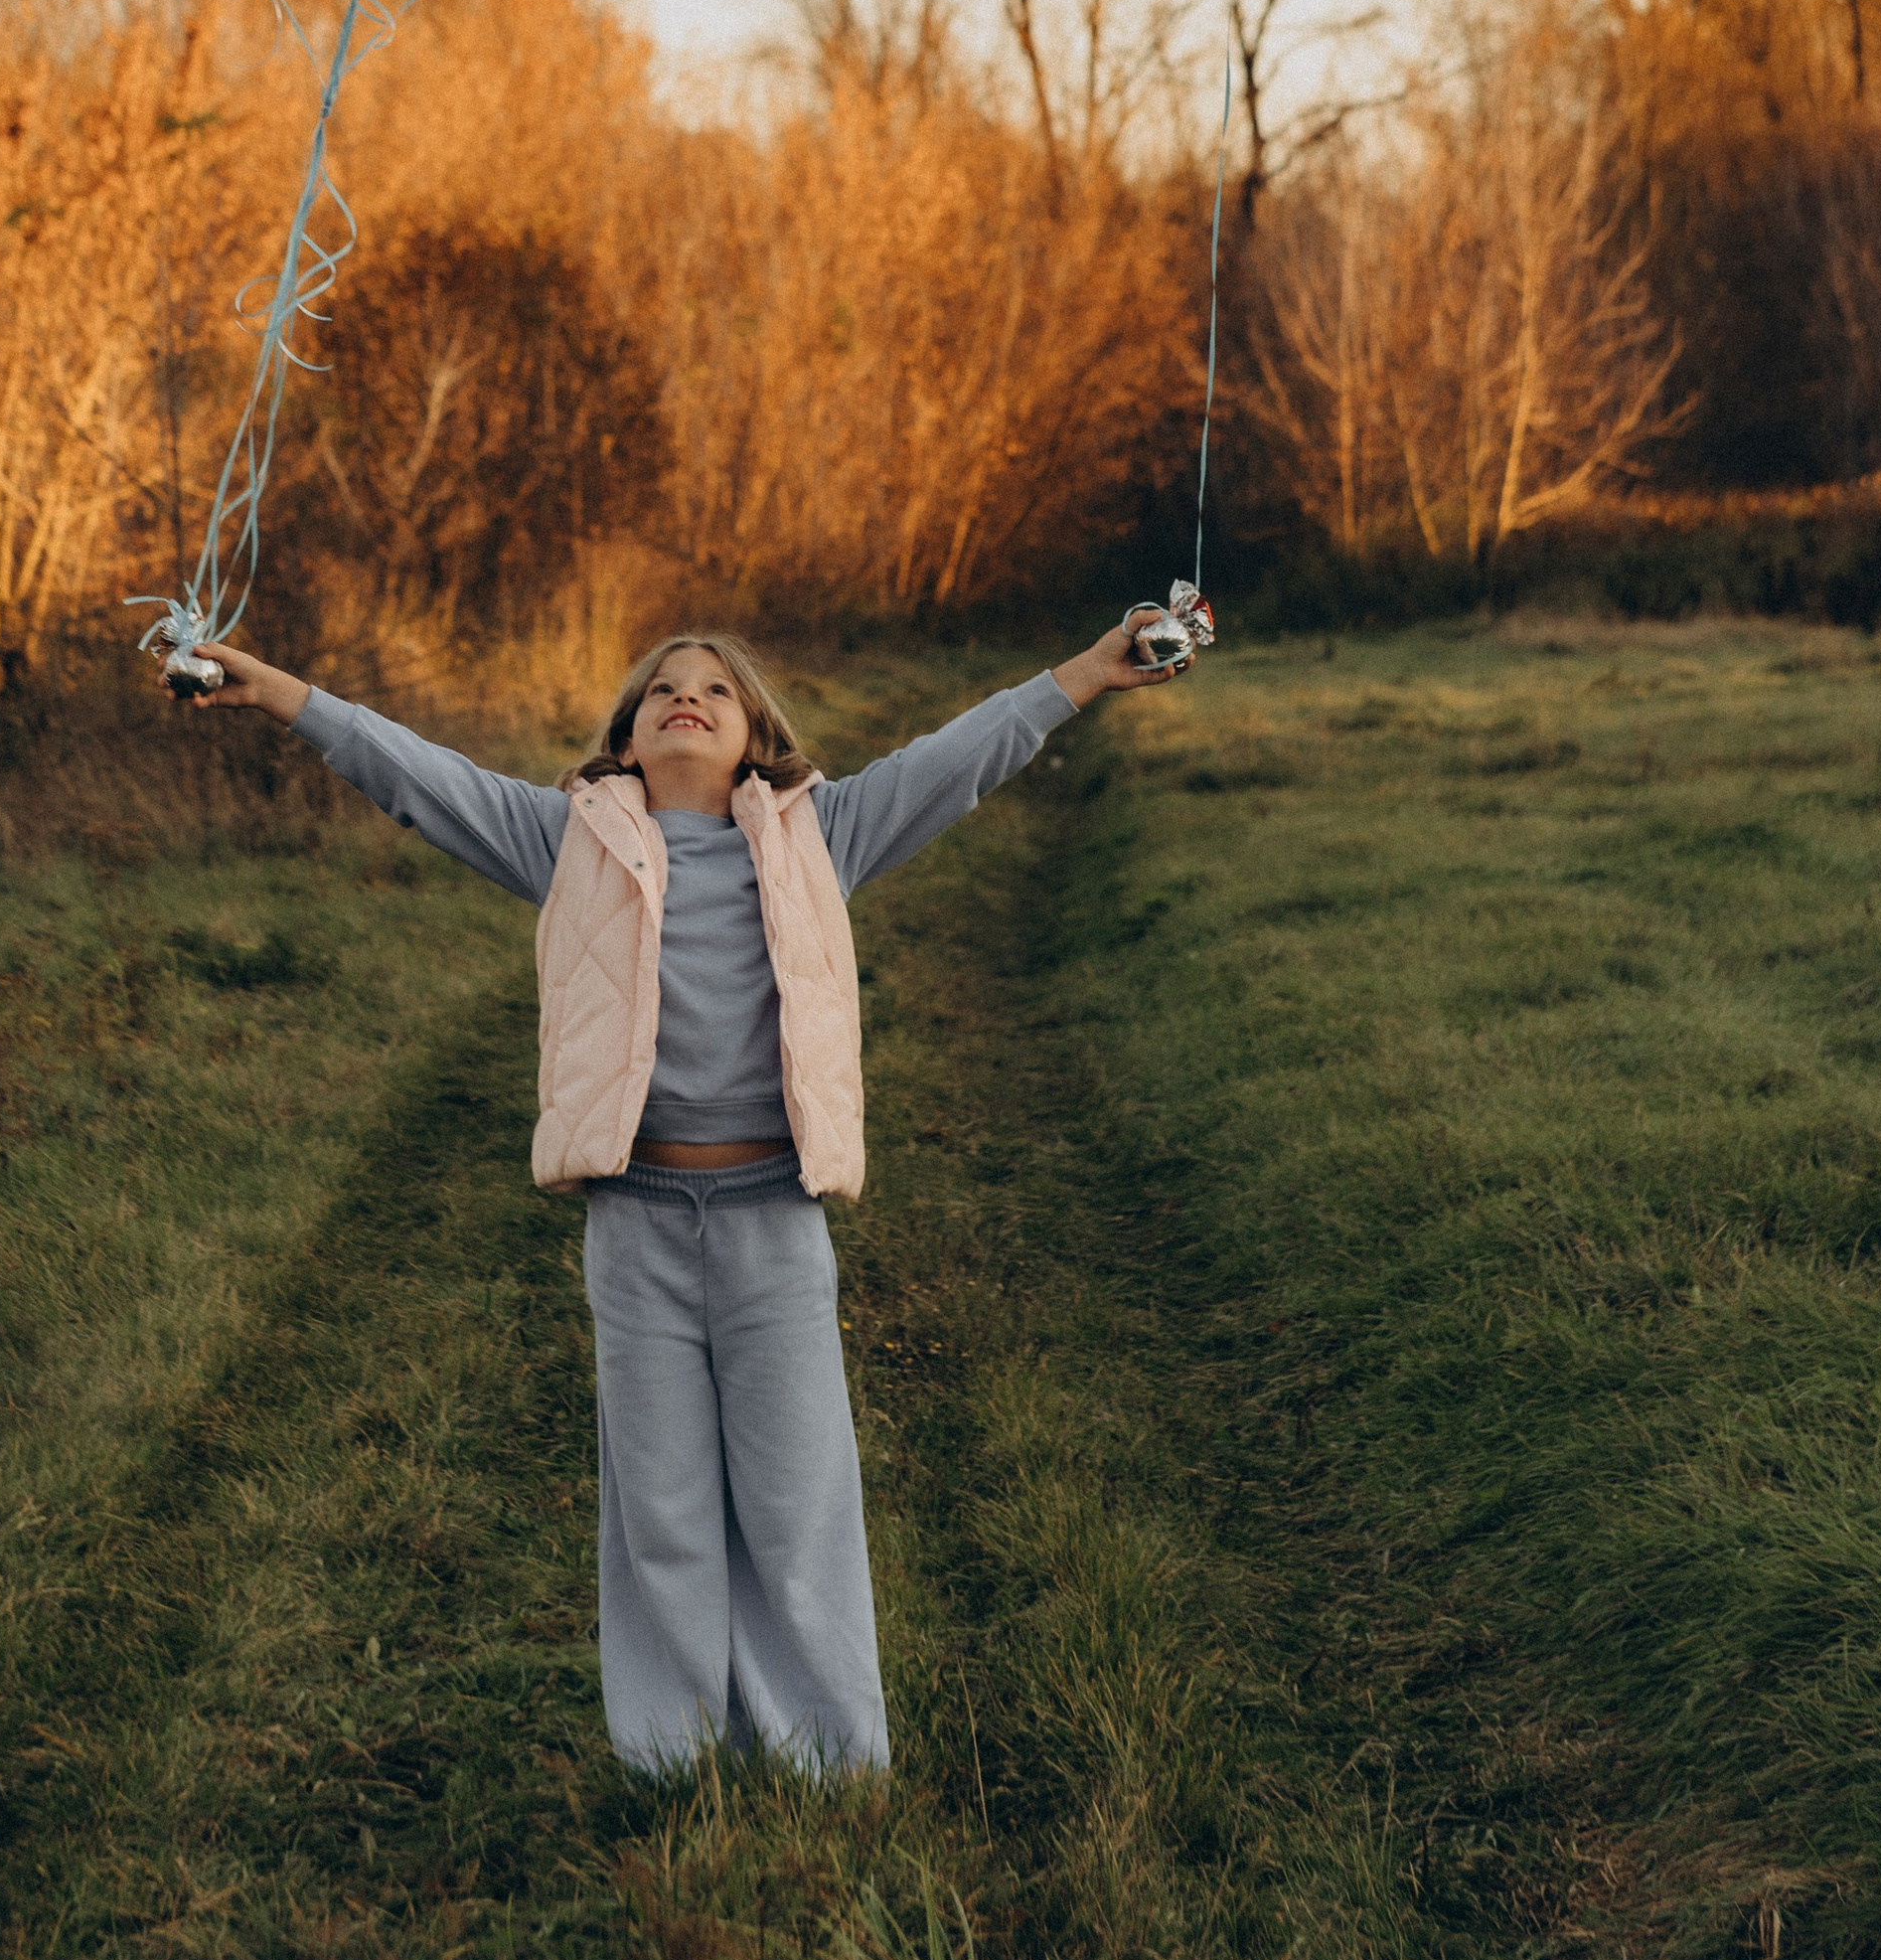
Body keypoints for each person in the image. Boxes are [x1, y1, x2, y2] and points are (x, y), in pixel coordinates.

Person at [176, 610, 1184, 1777]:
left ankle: (828, 1764)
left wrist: (1087, 673)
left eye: (714, 687)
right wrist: (278, 691)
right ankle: (672, 1763)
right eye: (662, 688)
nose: (687, 697)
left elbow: (958, 758)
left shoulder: (823, 831)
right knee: (659, 1508)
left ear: (757, 733)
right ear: (625, 738)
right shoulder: (566, 836)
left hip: (772, 1218)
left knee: (796, 1504)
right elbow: (417, 774)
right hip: (639, 1222)